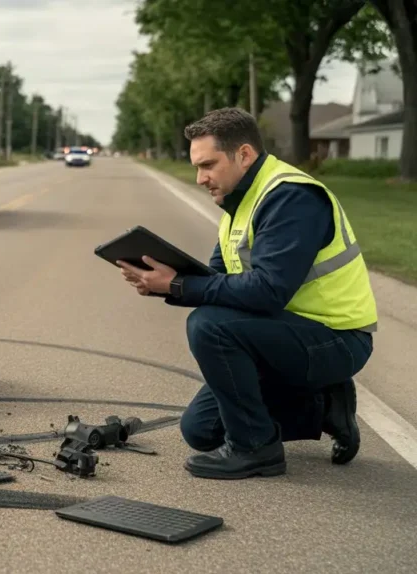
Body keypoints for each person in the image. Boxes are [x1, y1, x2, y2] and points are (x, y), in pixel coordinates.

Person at [117, 107, 377, 480]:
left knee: (209, 326)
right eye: (196, 167)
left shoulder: (291, 197)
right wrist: (164, 280)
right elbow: (218, 277)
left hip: (336, 338)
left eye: (208, 165)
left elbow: (270, 290)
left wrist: (178, 285)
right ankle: (325, 407)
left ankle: (256, 449)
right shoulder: (239, 202)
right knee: (200, 431)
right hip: (282, 332)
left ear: (243, 154)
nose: (200, 178)